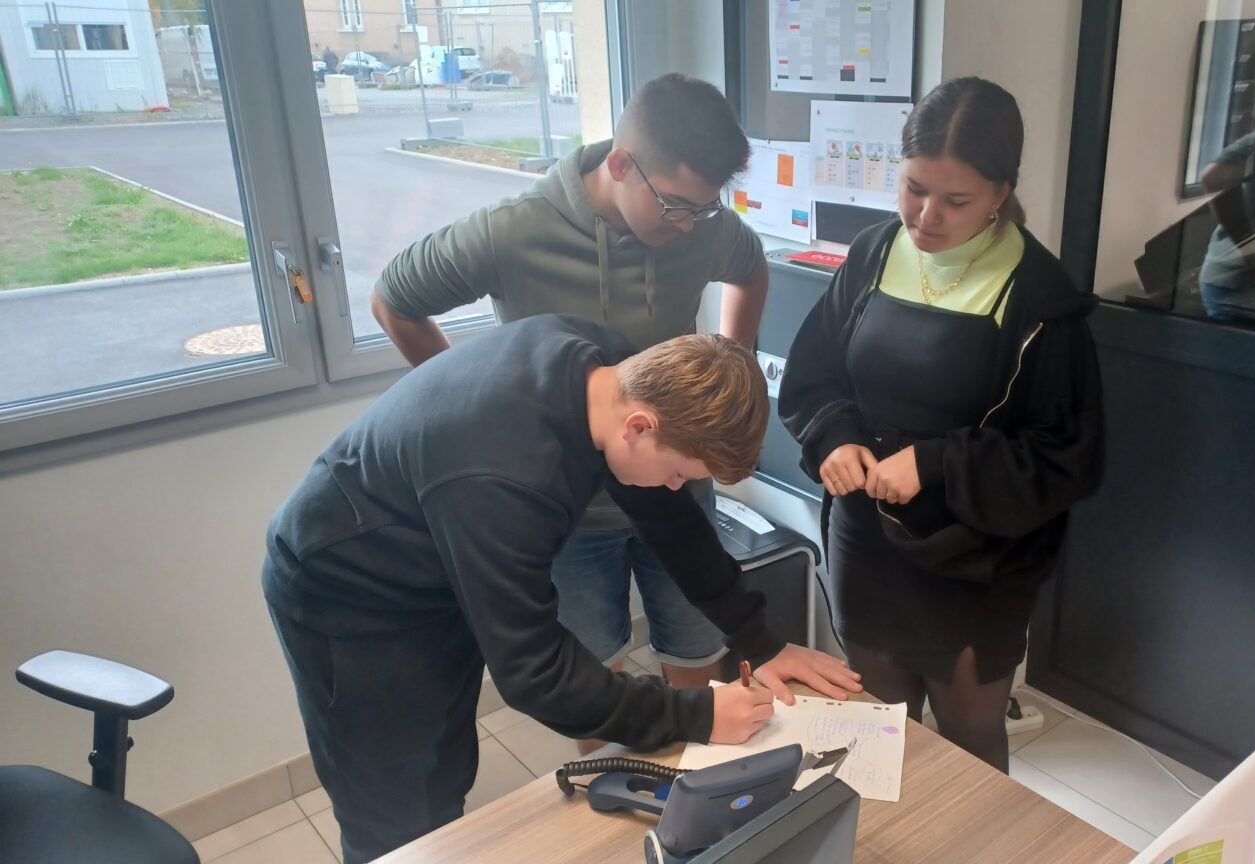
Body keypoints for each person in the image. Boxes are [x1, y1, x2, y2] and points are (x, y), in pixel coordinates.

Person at [264, 314, 860, 863]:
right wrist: (696, 713)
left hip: (436, 562)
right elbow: (536, 676)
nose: (677, 486)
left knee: (442, 765)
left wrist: (760, 637)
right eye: (680, 472)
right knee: (397, 803)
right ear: (640, 426)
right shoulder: (506, 473)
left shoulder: (615, 374)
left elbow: (673, 523)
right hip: (347, 593)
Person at [371, 74, 771, 736]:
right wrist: (471, 407)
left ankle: (700, 817)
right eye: (675, 206)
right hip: (571, 511)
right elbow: (394, 298)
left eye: (704, 209)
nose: (690, 225)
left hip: (673, 484)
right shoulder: (514, 230)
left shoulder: (698, 224)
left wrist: (738, 363)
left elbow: (751, 266)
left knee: (697, 662)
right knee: (594, 682)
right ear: (621, 165)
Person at [779, 77, 1104, 772]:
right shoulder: (872, 254)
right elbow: (815, 378)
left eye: (955, 201)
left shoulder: (1040, 300)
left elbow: (1066, 457)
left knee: (967, 739)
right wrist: (835, 437)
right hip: (866, 540)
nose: (926, 217)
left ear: (999, 193)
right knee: (875, 730)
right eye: (913, 189)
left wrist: (935, 463)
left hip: (975, 558)